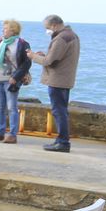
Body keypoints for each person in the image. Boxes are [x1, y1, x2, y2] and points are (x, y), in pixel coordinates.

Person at [28, 14, 80, 152]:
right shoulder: (72, 35)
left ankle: (63, 142)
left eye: (47, 28)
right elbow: (58, 58)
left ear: (54, 25)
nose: (47, 31)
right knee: (61, 110)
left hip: (58, 80)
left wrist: (34, 56)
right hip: (65, 79)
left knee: (59, 111)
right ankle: (61, 140)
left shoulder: (61, 38)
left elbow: (48, 62)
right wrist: (43, 56)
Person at [0, 19, 31, 144]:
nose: (2, 31)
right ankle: (0, 132)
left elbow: (27, 63)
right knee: (0, 107)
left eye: (5, 28)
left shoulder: (22, 44)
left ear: (13, 30)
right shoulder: (0, 41)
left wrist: (15, 77)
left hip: (11, 81)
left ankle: (12, 134)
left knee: (11, 107)